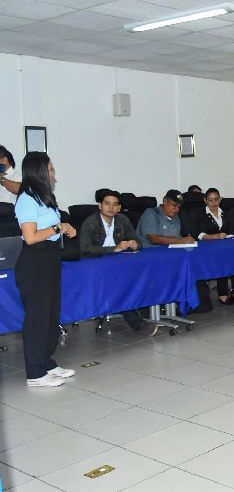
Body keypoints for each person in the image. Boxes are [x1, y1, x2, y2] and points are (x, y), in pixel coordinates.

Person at [14, 152, 77, 387]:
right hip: (34, 262)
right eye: (50, 169)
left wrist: (64, 227)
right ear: (39, 171)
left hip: (49, 260)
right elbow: (30, 237)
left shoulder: (44, 197)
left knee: (51, 315)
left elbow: (52, 228)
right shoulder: (27, 199)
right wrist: (57, 227)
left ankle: (46, 363)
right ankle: (35, 373)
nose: (53, 174)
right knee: (37, 318)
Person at [78, 189, 144, 330]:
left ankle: (143, 312)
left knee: (139, 276)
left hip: (117, 263)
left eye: (115, 204)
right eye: (107, 204)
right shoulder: (91, 222)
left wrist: (134, 243)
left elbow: (139, 241)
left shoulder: (122, 220)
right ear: (100, 205)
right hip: (95, 265)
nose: (111, 207)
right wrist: (114, 248)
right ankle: (137, 323)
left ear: (119, 207)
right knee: (119, 283)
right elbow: (85, 249)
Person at [197, 188, 234, 305]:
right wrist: (216, 236)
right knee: (222, 261)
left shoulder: (225, 213)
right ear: (205, 201)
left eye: (216, 199)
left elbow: (230, 228)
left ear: (220, 199)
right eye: (210, 200)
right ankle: (222, 294)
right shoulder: (201, 214)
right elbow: (200, 235)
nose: (213, 203)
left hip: (226, 245)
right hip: (210, 247)